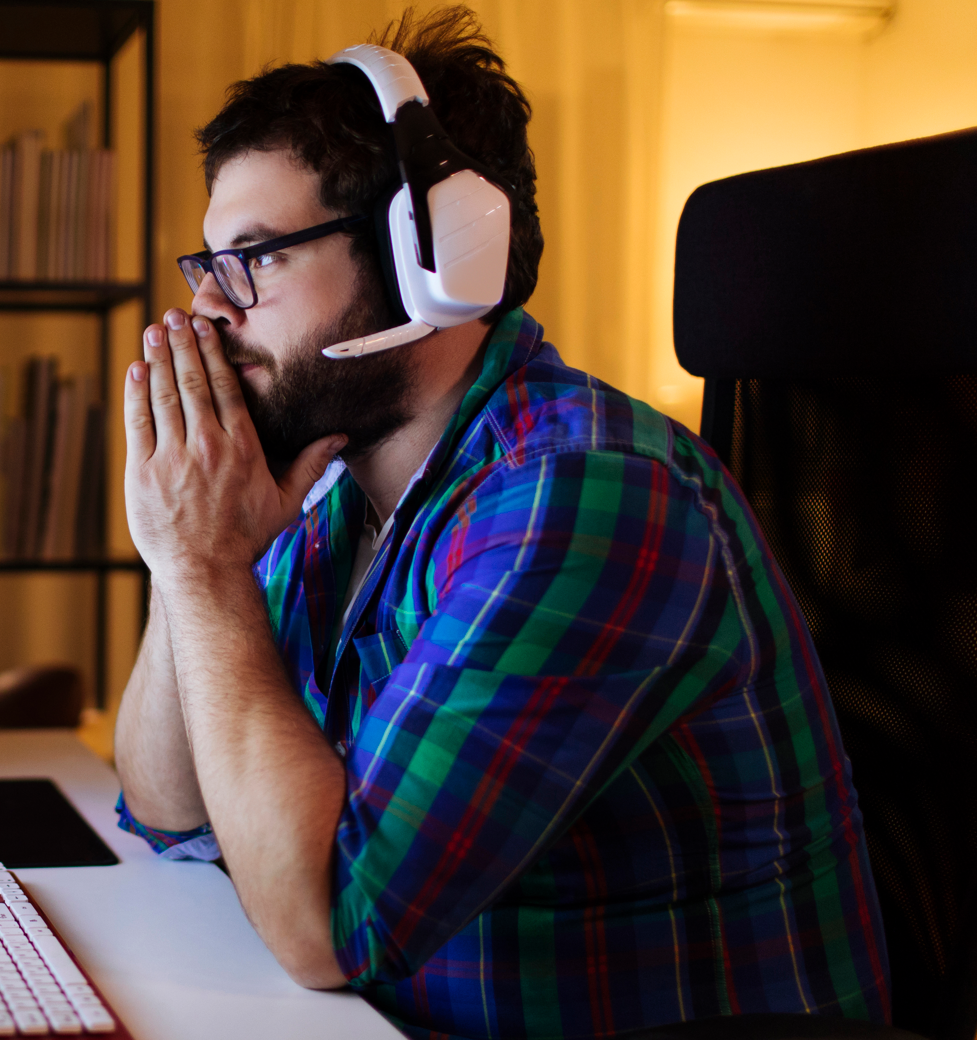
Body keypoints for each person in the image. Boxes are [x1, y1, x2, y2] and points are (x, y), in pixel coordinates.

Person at [112, 8, 891, 1038]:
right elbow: (167, 807)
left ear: (431, 258)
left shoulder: (583, 495)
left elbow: (329, 927)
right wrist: (185, 555)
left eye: (256, 259)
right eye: (207, 264)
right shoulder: (328, 481)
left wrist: (209, 569)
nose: (210, 311)